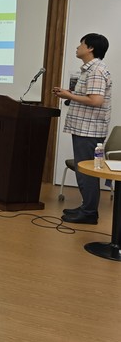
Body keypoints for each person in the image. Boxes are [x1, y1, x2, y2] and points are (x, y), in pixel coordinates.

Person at [53, 33, 112, 225]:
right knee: (84, 170)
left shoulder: (96, 70)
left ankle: (89, 213)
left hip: (89, 130)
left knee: (86, 172)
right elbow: (90, 96)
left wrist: (68, 96)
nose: (77, 47)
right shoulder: (90, 70)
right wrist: (69, 93)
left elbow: (96, 100)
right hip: (84, 128)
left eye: (81, 44)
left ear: (90, 48)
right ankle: (86, 207)